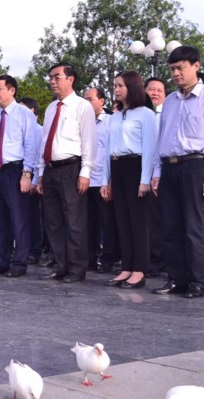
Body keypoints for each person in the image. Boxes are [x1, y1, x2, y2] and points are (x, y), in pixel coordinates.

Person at [151, 46, 204, 298]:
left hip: (196, 165)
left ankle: (197, 281)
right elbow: (160, 138)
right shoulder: (170, 100)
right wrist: (156, 172)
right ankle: (176, 279)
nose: (175, 73)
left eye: (180, 68)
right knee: (170, 226)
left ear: (196, 66)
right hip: (168, 166)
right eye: (172, 69)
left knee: (195, 226)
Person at [38, 62, 97, 283]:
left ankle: (76, 268)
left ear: (70, 79)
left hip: (72, 168)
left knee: (74, 221)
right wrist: (41, 173)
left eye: (57, 77)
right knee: (53, 222)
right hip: (51, 170)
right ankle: (61, 265)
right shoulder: (52, 108)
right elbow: (45, 140)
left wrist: (85, 171)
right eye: (51, 77)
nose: (52, 81)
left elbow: (89, 141)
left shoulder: (82, 106)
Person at [0, 75, 39, 278]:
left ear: (12, 90)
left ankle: (19, 263)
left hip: (16, 171)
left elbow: (31, 145)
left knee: (18, 219)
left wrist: (27, 173)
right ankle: (0, 262)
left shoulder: (24, 114)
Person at [101, 72, 157, 289]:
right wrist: (106, 180)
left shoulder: (145, 114)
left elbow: (150, 147)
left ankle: (139, 269)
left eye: (121, 85)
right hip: (117, 166)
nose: (116, 89)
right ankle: (126, 266)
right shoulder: (115, 116)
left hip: (136, 166)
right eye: (115, 85)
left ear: (132, 86)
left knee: (138, 221)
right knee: (121, 220)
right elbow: (108, 149)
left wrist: (145, 179)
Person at [84, 87, 120, 274]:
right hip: (85, 179)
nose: (87, 103)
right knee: (88, 223)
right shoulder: (81, 122)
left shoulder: (110, 122)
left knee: (107, 223)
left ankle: (108, 258)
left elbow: (111, 152)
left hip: (103, 180)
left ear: (102, 101)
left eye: (91, 99)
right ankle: (89, 258)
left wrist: (109, 180)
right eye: (85, 100)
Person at [143, 77, 168, 279]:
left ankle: (159, 260)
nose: (155, 93)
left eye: (159, 90)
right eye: (151, 89)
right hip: (144, 172)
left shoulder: (166, 114)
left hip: (162, 173)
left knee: (160, 219)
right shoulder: (143, 115)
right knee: (147, 220)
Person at [18, 97, 43, 265]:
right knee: (20, 216)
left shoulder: (40, 130)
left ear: (33, 112)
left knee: (32, 216)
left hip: (31, 176)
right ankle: (21, 249)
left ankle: (35, 250)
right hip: (17, 174)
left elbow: (38, 156)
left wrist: (34, 179)